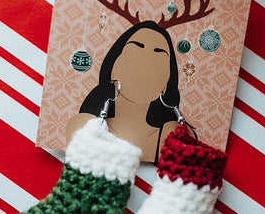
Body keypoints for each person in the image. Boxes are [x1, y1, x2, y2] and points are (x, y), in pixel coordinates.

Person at [65, 20, 180, 162]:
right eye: (138, 46)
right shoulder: (84, 125)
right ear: (112, 65)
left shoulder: (173, 135)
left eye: (159, 52)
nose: (146, 60)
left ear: (168, 82)